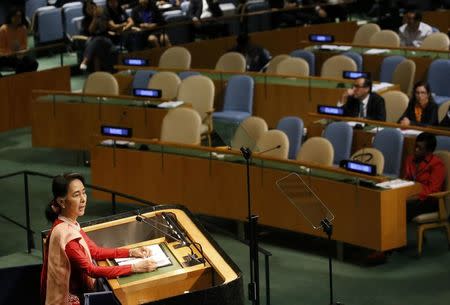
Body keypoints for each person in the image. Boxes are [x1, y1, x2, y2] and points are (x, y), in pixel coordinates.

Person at [40, 173, 157, 305]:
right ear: (62, 202)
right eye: (76, 195)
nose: (83, 199)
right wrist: (135, 268)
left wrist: (131, 252)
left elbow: (95, 251)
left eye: (84, 193)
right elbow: (92, 270)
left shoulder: (69, 223)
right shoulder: (66, 235)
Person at [403, 132, 446, 221]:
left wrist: (415, 196)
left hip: (429, 199)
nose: (416, 150)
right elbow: (407, 179)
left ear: (429, 151)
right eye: (415, 146)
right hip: (412, 195)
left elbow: (433, 190)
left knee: (403, 209)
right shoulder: (410, 159)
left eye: (420, 148)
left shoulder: (437, 164)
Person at [79, 0, 116, 71]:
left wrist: (99, 17)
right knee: (96, 50)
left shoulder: (103, 17)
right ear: (85, 11)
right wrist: (95, 18)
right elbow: (91, 31)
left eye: (93, 8)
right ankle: (98, 74)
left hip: (106, 41)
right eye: (89, 9)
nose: (91, 10)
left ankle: (85, 61)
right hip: (91, 42)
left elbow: (104, 29)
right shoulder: (85, 21)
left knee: (98, 39)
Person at [0, 7, 38, 74]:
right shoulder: (3, 29)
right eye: (15, 16)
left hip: (20, 54)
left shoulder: (23, 28)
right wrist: (13, 53)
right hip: (6, 57)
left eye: (19, 16)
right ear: (10, 17)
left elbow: (24, 45)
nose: (18, 18)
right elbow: (1, 49)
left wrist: (20, 53)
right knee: (21, 65)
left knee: (34, 63)